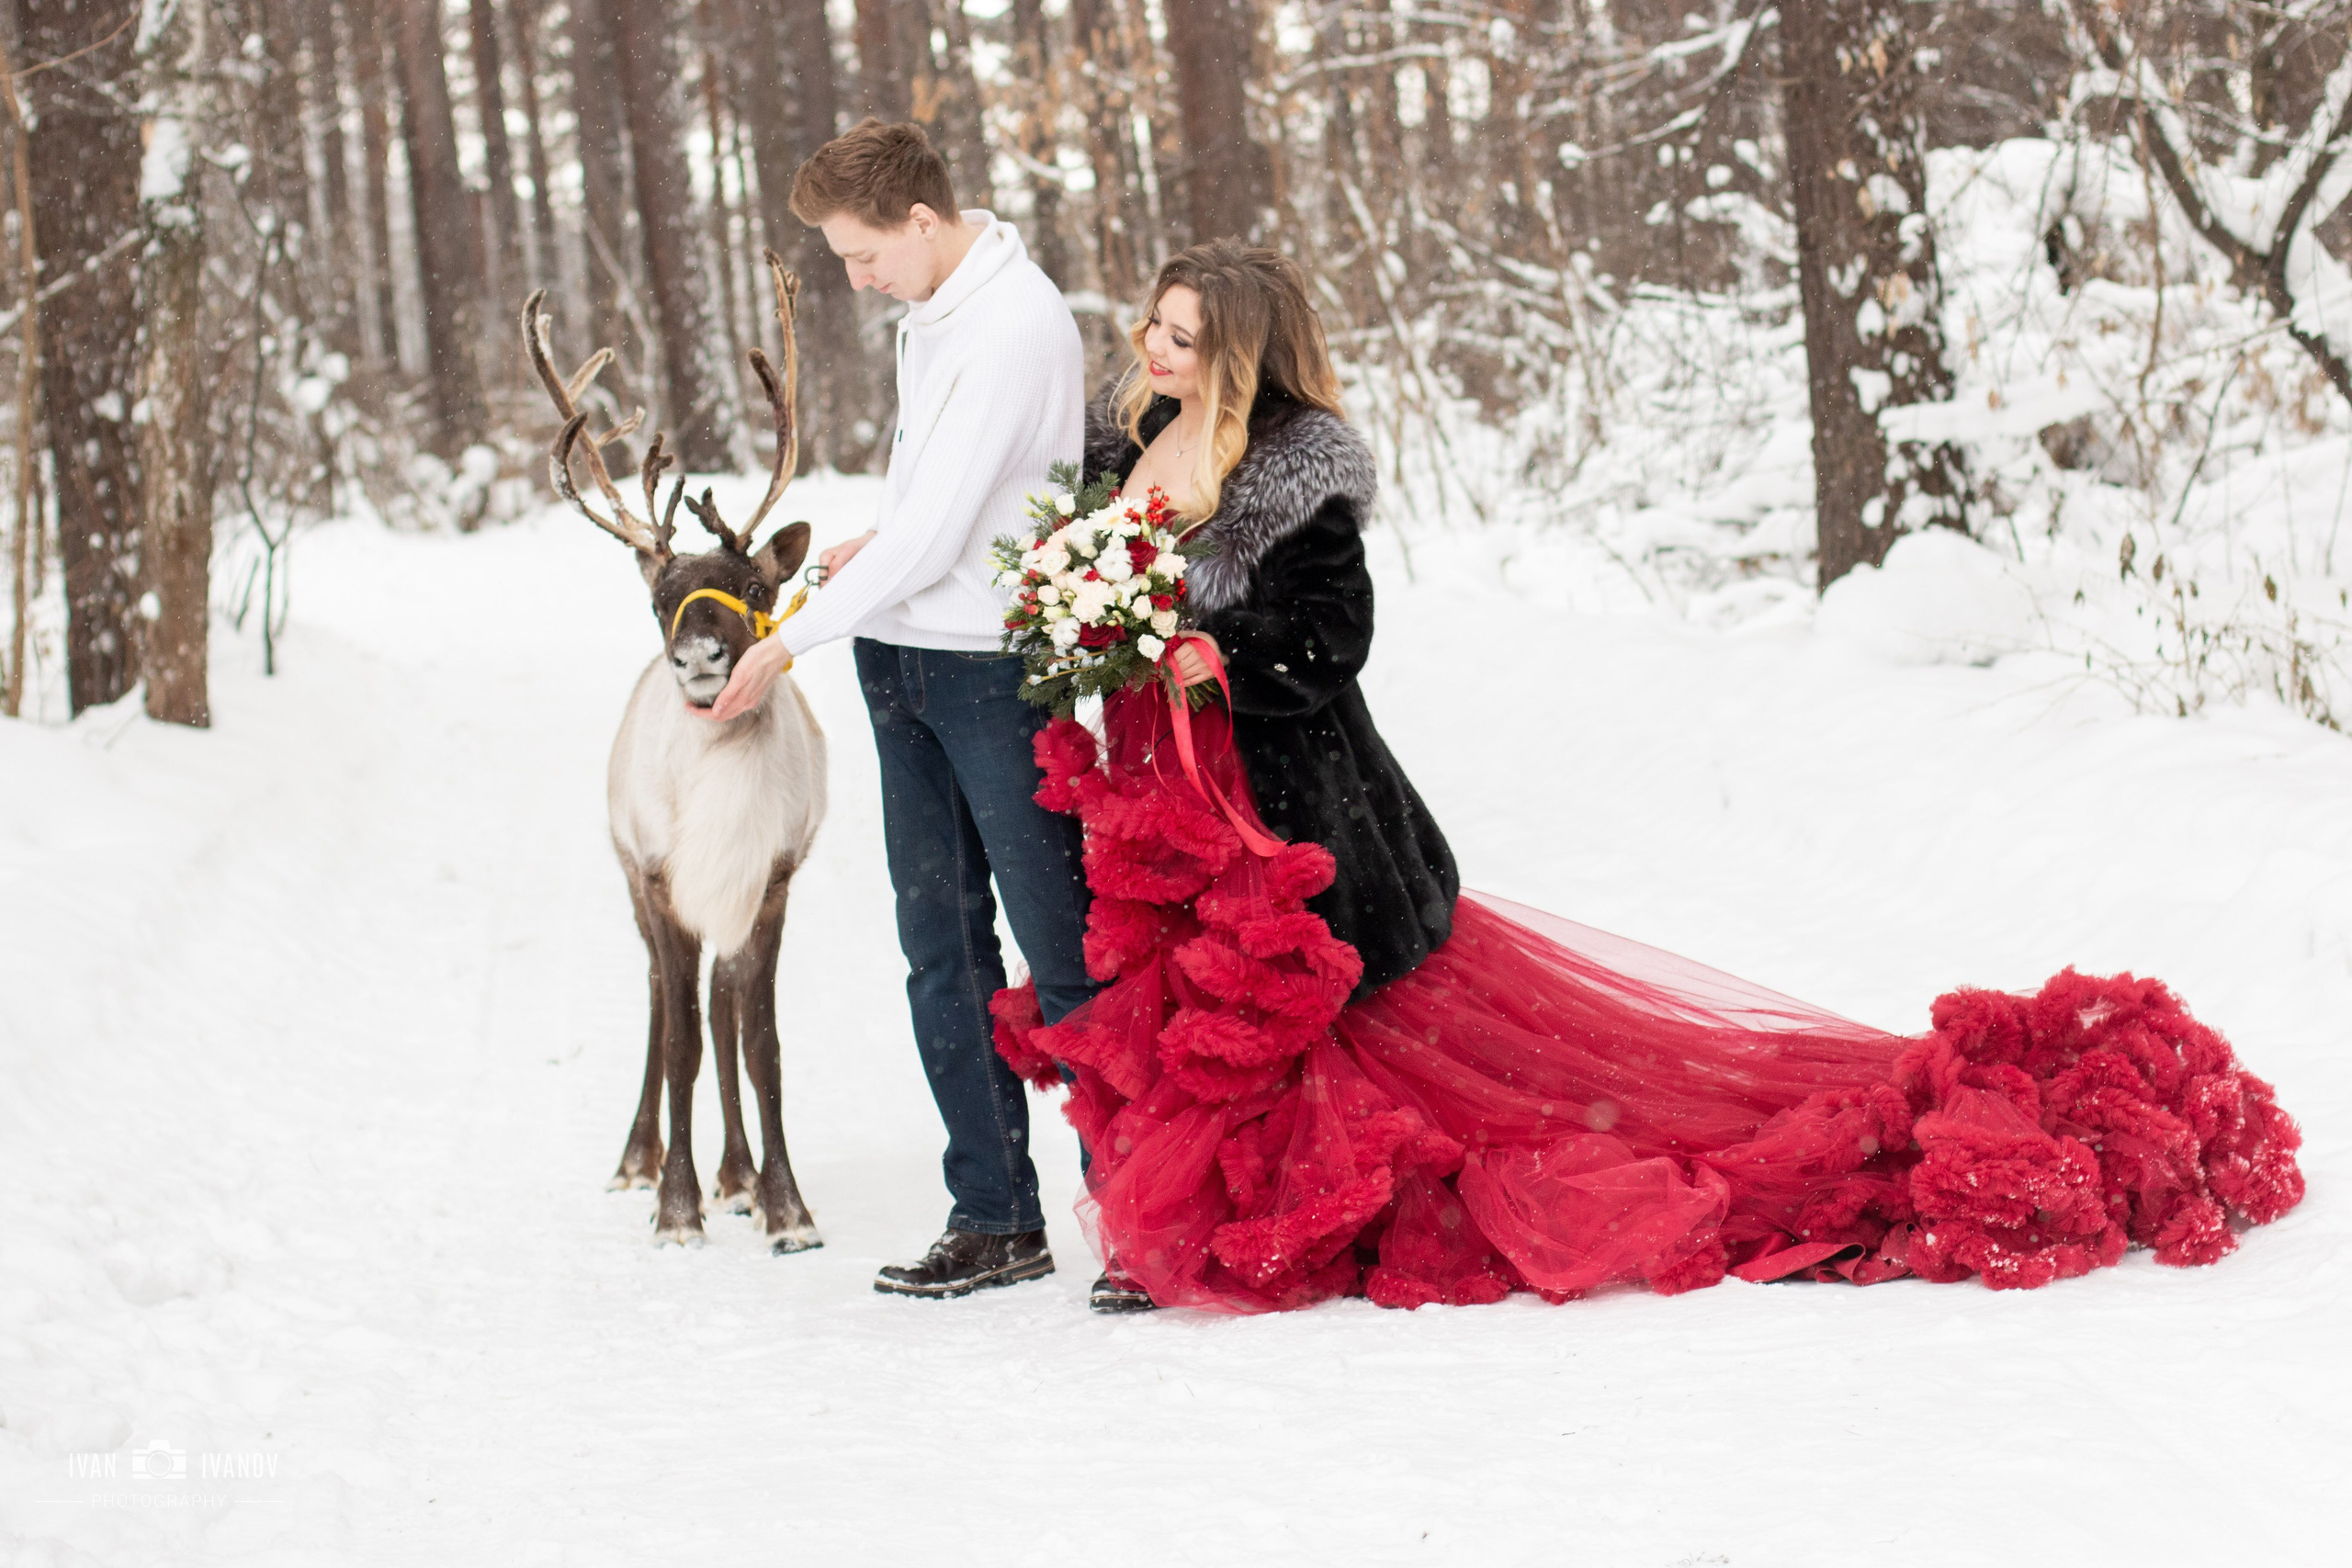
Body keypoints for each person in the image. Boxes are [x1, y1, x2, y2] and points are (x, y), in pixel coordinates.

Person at [990, 239, 2307, 1314]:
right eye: (1154, 329)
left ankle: (1277, 1220)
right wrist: (1085, 625)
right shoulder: (1126, 446)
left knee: (1327, 1020)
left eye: (1182, 335)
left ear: (1243, 349)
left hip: (1283, 787)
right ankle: (1192, 1219)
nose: (1154, 352)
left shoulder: (1297, 472)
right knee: (1181, 999)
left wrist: (1221, 648)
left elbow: (1336, 639)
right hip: (1161, 777)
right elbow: (1085, 577)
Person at [706, 119, 1094, 1300]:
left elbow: (942, 537)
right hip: (904, 660)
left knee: (1066, 952)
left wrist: (783, 644)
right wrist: (880, 555)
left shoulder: (1017, 323)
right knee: (941, 949)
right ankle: (995, 1214)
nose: (854, 276)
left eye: (861, 252)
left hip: (991, 671)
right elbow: (940, 504)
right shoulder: (930, 312)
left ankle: (1141, 1215)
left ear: (921, 220)